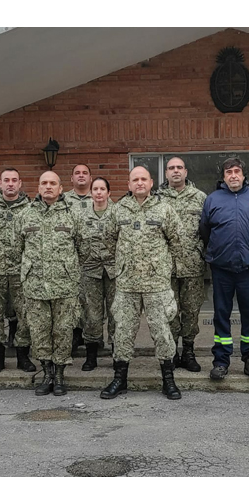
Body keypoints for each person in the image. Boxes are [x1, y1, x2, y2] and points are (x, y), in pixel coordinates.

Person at [101, 166, 183, 399]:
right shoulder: (118, 210)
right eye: (135, 179)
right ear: (128, 184)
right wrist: (119, 269)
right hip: (127, 285)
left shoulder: (164, 209)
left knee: (162, 332)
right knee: (123, 332)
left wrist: (166, 269)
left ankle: (168, 380)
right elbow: (107, 240)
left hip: (156, 284)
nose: (139, 183)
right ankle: (120, 379)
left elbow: (177, 240)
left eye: (143, 179)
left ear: (151, 183)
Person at [198, 157, 249, 381]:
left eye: (236, 171)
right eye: (228, 172)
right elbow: (205, 231)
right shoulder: (213, 200)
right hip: (222, 267)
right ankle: (221, 361)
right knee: (221, 314)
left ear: (243, 175)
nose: (233, 175)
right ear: (223, 176)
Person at [16, 171, 83, 396]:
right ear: (38, 187)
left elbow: (83, 248)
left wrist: (69, 270)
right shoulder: (25, 215)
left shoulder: (73, 215)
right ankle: (46, 373)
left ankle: (60, 375)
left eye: (52, 183)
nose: (48, 187)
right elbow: (17, 248)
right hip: (35, 285)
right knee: (39, 332)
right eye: (44, 183)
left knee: (63, 331)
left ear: (61, 188)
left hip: (65, 285)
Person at [0, 168, 35, 374]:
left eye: (14, 180)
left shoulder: (29, 209)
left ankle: (23, 355)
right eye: (6, 180)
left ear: (20, 183)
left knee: (25, 314)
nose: (10, 184)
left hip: (22, 272)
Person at [159, 156, 207, 373]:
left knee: (191, 311)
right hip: (165, 267)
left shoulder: (200, 198)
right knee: (168, 312)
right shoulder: (156, 199)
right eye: (171, 168)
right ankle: (172, 352)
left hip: (192, 265)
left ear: (186, 172)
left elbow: (208, 231)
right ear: (166, 173)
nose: (175, 171)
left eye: (179, 168)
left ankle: (188, 350)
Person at [76, 177, 117, 371]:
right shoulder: (81, 216)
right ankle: (91, 355)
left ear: (109, 193)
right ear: (91, 193)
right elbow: (75, 243)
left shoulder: (117, 213)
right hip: (90, 271)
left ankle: (118, 355)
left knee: (116, 313)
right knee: (91, 315)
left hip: (114, 271)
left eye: (102, 189)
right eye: (95, 189)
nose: (99, 192)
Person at [64, 163, 94, 352]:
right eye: (77, 173)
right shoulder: (63, 200)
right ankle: (75, 334)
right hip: (69, 260)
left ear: (90, 178)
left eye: (85, 173)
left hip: (95, 260)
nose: (81, 176)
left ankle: (93, 337)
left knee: (92, 301)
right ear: (72, 179)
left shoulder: (100, 196)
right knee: (72, 299)